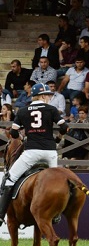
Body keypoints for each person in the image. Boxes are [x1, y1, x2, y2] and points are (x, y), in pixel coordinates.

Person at [1, 84, 67, 225]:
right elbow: (64, 127)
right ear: (42, 96)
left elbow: (13, 133)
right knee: (57, 183)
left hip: (31, 153)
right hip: (50, 153)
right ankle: (56, 215)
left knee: (9, 179)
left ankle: (1, 216)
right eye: (48, 95)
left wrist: (24, 136)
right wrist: (58, 139)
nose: (49, 97)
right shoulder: (51, 109)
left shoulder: (23, 111)